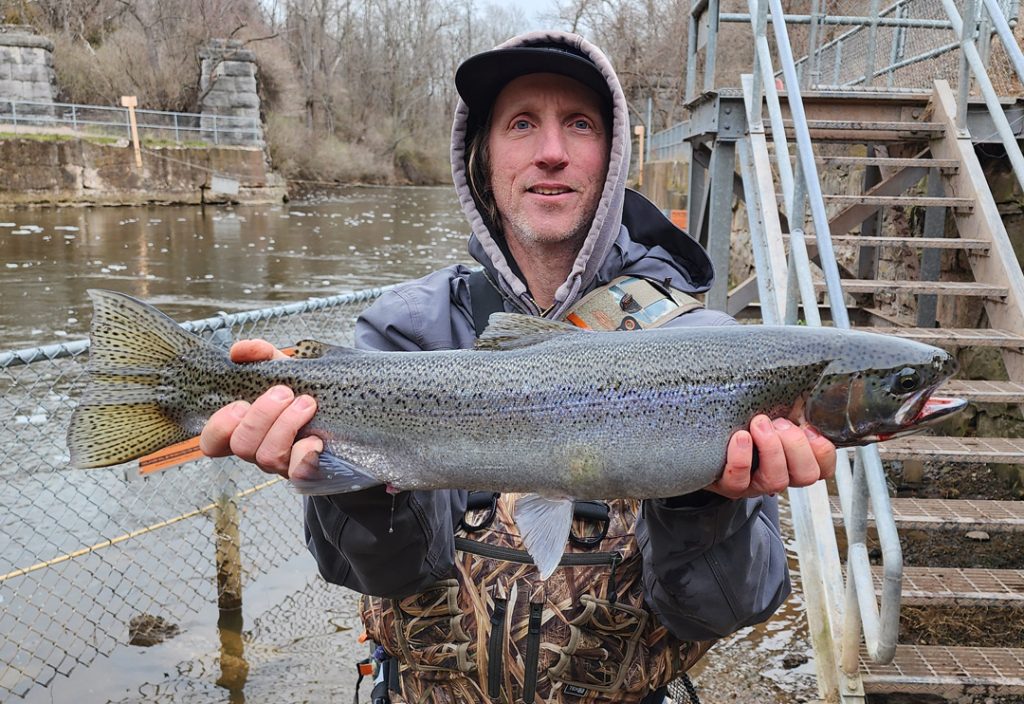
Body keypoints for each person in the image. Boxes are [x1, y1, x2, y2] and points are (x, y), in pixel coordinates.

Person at [200, 30, 836, 704]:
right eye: (522, 123)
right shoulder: (408, 329)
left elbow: (721, 611)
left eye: (580, 124)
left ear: (613, 157)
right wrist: (353, 483)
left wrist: (707, 502)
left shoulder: (705, 349)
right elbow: (383, 575)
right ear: (481, 157)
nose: (551, 151)